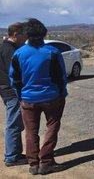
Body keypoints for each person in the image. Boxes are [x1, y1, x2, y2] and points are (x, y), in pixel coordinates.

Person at [10, 18, 68, 175]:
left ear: (27, 34)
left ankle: (33, 164)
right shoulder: (53, 52)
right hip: (52, 98)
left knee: (30, 131)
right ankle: (46, 161)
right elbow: (61, 76)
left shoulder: (19, 53)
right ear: (44, 34)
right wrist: (63, 93)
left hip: (28, 99)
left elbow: (14, 78)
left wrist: (20, 95)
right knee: (52, 126)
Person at [0, 22, 27, 167]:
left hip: (7, 90)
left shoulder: (5, 47)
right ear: (16, 34)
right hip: (12, 91)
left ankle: (16, 153)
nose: (25, 39)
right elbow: (15, 74)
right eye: (24, 35)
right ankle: (11, 157)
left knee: (16, 123)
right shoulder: (10, 50)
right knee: (13, 124)